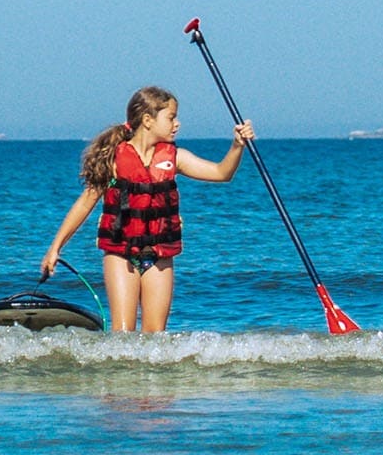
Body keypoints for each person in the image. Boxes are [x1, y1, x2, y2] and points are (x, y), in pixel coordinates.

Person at [38, 85, 250, 333]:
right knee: (123, 332)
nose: (177, 124)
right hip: (121, 254)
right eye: (171, 117)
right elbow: (85, 204)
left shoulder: (175, 157)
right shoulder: (114, 160)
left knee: (155, 334)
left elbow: (221, 173)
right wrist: (55, 248)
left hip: (159, 255)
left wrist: (237, 146)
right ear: (148, 120)